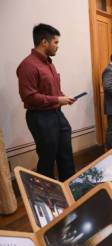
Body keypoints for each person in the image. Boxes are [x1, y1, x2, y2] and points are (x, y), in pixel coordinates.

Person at [17, 23, 76, 181]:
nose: (57, 46)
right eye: (55, 42)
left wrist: (63, 98)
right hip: (40, 118)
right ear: (44, 42)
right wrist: (57, 99)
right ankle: (48, 199)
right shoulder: (28, 66)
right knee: (47, 159)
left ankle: (70, 190)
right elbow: (28, 97)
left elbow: (52, 90)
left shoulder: (49, 63)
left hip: (57, 114)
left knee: (66, 156)